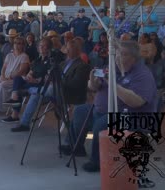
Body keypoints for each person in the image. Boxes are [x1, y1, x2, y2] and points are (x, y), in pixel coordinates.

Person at [62, 41, 157, 172]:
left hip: (132, 116)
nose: (117, 57)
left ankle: (97, 161)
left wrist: (113, 84)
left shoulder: (142, 74)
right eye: (116, 54)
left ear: (133, 58)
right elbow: (93, 87)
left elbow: (137, 101)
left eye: (122, 54)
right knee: (80, 111)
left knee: (102, 124)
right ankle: (76, 147)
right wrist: (92, 80)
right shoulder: (111, 67)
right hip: (100, 110)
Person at [0, 36, 29, 113]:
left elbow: (21, 71)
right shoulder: (9, 55)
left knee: (3, 85)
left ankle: (4, 107)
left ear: (23, 45)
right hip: (6, 76)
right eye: (15, 43)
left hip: (17, 78)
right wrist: (3, 76)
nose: (17, 45)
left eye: (19, 44)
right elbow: (3, 68)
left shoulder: (24, 56)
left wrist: (10, 77)